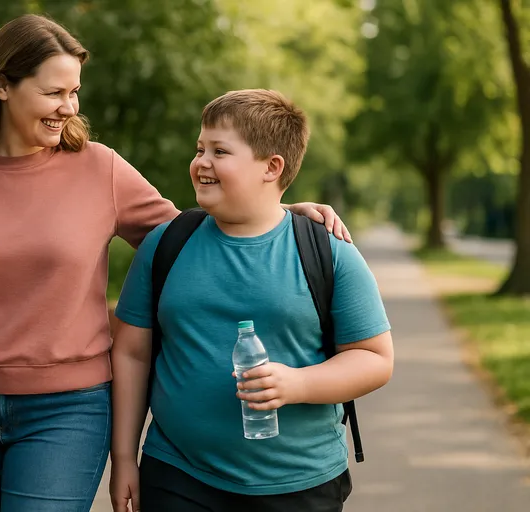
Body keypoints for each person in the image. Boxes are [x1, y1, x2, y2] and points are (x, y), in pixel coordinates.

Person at [0, 14, 351, 512]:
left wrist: (277, 211)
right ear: (3, 85)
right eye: (55, 93)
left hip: (67, 409)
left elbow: (191, 235)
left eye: (75, 93)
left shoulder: (100, 168)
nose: (69, 108)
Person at [110, 89, 394, 512]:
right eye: (200, 148)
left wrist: (298, 383)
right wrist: (123, 460)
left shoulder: (328, 251)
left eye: (220, 151)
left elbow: (375, 358)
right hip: (178, 476)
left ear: (271, 167)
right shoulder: (165, 244)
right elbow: (131, 354)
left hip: (301, 482)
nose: (201, 162)